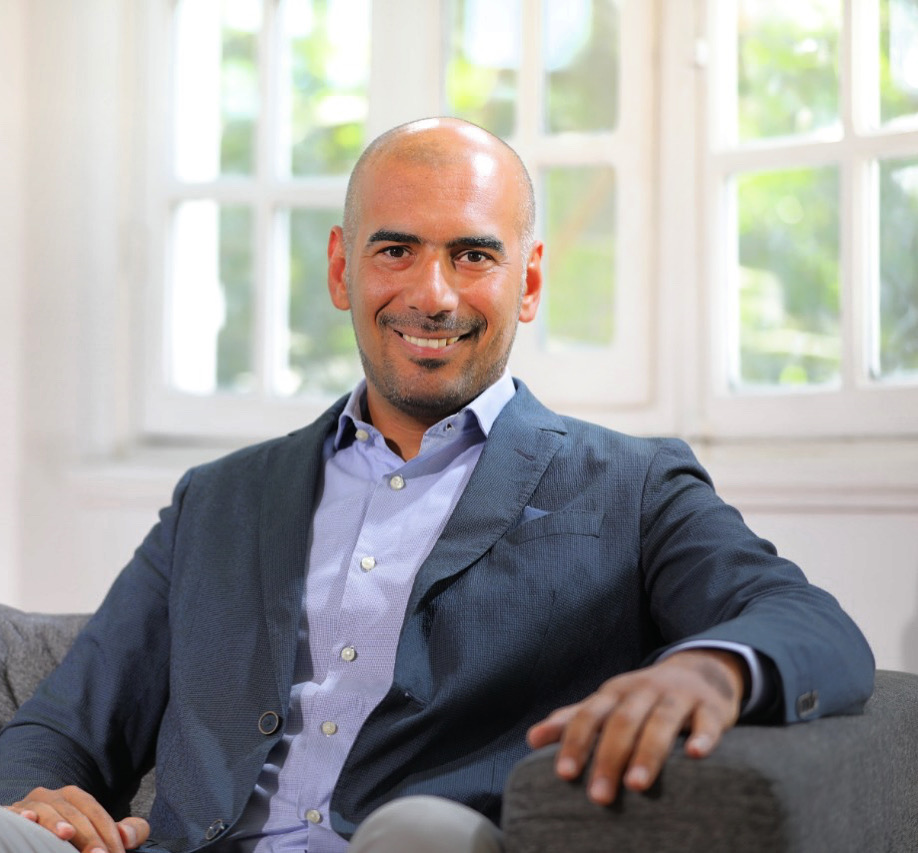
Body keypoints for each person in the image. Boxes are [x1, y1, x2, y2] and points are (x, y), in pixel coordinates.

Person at [0, 118, 874, 853]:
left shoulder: (633, 486)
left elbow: (807, 620)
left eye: (473, 254)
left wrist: (712, 671)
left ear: (528, 281)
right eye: (396, 249)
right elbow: (63, 723)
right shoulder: (216, 499)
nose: (433, 293)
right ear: (341, 268)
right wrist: (37, 798)